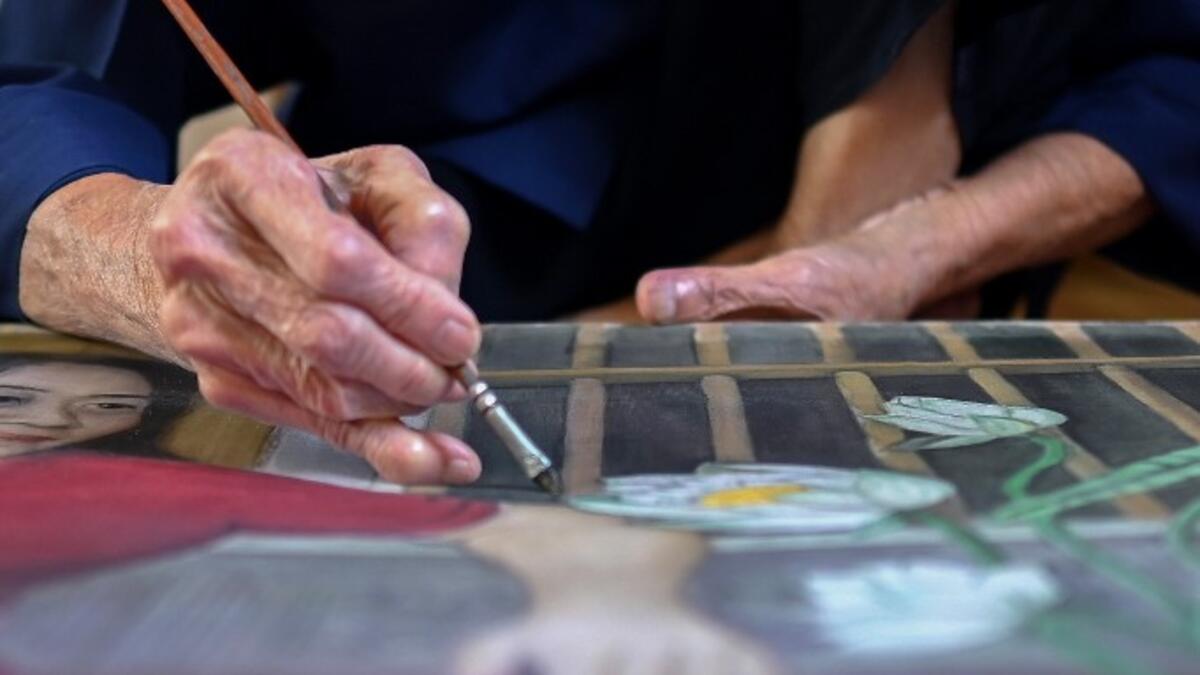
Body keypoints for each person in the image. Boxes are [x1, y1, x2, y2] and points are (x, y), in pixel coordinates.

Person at [1, 1, 1197, 484]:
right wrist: (151, 249)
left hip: (938, 309)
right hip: (404, 288)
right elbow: (27, 81)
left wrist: (931, 241)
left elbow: (1172, 66)